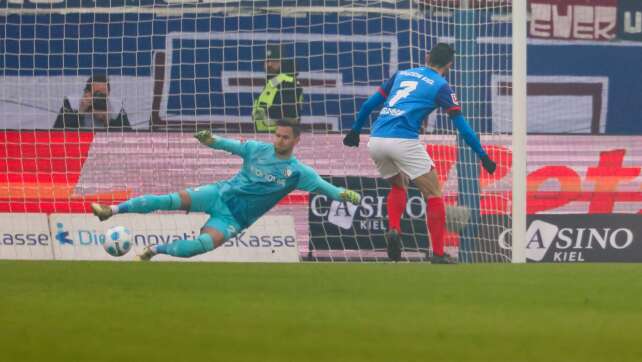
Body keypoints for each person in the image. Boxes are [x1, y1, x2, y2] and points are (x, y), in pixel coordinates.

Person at [91, 121, 361, 261]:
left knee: (201, 247)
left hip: (233, 219)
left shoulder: (300, 173)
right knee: (168, 200)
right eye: (277, 135)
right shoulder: (257, 148)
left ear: (296, 140)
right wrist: (210, 140)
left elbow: (329, 190)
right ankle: (111, 211)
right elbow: (226, 144)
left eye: (285, 137)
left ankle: (155, 250)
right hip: (218, 193)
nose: (279, 139)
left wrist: (344, 194)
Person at [342, 43, 497, 264]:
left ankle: (394, 229)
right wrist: (483, 155)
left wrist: (355, 131)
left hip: (376, 139)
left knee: (398, 185)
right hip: (404, 140)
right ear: (449, 65)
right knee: (434, 194)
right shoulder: (441, 86)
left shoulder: (401, 74)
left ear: (427, 56)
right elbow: (462, 127)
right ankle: (438, 253)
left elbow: (369, 104)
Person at [252, 44, 303, 132]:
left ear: (282, 62)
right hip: (266, 134)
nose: (269, 64)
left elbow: (288, 113)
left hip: (280, 135)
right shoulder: (273, 82)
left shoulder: (288, 83)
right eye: (267, 61)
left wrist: (263, 113)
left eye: (274, 61)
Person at [53, 74, 131, 130]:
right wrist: (80, 113)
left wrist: (108, 122)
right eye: (97, 93)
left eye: (104, 94)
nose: (101, 97)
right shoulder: (72, 104)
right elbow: (57, 132)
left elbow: (128, 137)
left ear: (109, 93)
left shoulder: (116, 107)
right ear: (87, 93)